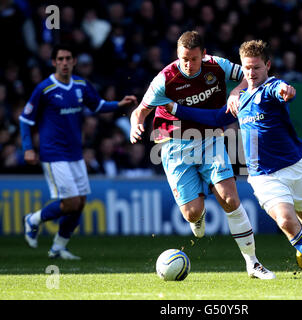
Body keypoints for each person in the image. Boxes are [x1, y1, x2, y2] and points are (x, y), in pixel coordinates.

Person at [167, 40, 302, 280]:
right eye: (247, 68)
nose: (251, 73)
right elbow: (213, 119)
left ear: (268, 66)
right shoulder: (239, 99)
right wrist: (176, 109)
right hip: (263, 176)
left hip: (295, 167)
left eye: (256, 68)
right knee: (285, 220)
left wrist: (288, 91)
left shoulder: (273, 88)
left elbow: (283, 89)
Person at [129, 31, 274, 279]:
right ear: (178, 54)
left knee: (230, 198)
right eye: (184, 58)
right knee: (192, 213)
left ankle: (253, 263)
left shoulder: (217, 66)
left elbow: (249, 76)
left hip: (209, 138)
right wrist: (135, 124)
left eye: (193, 59)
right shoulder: (165, 79)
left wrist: (236, 91)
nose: (188, 64)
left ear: (203, 55)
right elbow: (140, 111)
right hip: (173, 144)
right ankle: (198, 216)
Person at [20, 44, 137, 259]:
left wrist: (118, 104)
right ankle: (33, 220)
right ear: (54, 62)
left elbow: (98, 105)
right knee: (71, 202)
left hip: (75, 153)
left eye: (68, 58)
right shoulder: (44, 89)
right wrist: (28, 148)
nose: (65, 63)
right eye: (61, 59)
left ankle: (58, 247)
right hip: (53, 153)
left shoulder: (82, 85)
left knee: (80, 203)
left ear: (74, 62)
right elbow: (25, 120)